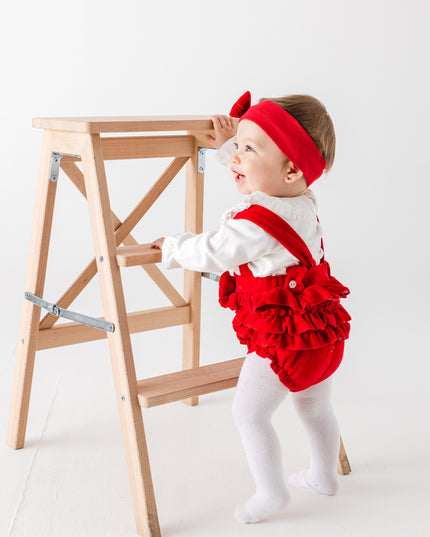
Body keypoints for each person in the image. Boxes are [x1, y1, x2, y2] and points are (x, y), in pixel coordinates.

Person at [151, 91, 351, 524]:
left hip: (282, 342)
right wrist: (232, 148)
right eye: (237, 147)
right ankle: (323, 475)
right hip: (319, 335)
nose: (236, 159)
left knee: (249, 413)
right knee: (315, 408)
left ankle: (271, 492)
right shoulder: (302, 201)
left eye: (247, 149)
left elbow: (212, 252)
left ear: (292, 168)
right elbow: (268, 177)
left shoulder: (255, 224)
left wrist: (173, 246)